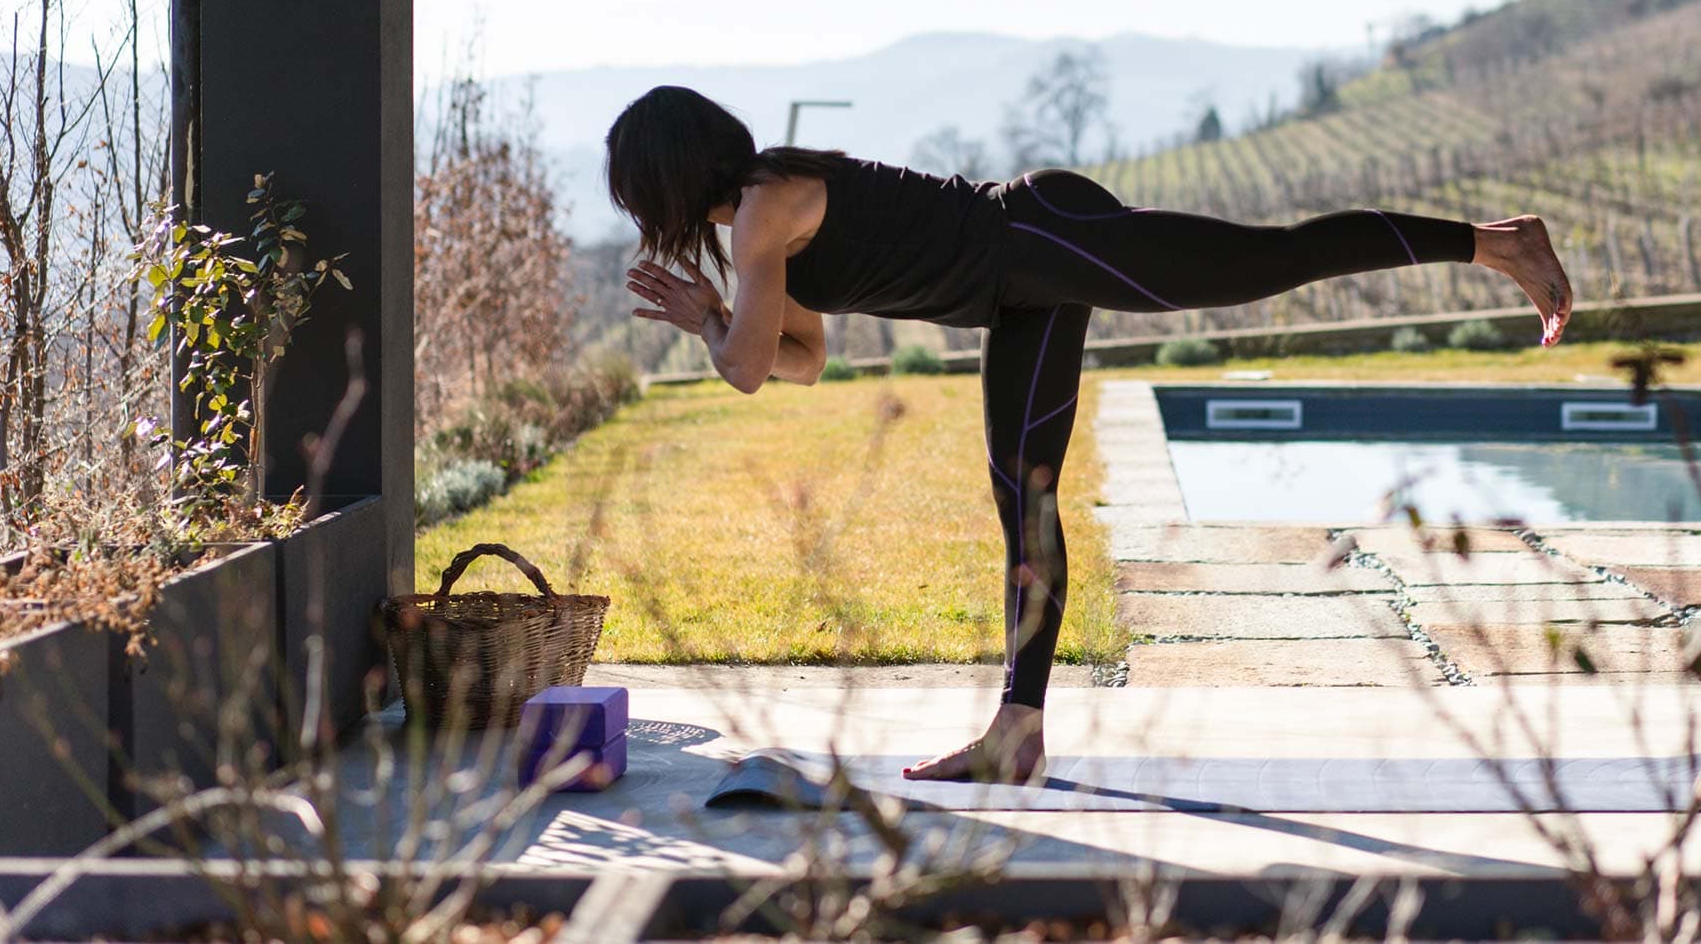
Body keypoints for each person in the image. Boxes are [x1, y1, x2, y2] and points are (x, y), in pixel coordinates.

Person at [607, 85, 1572, 782]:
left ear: (666, 177)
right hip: (1016, 296)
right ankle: (1017, 732)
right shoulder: (760, 220)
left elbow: (742, 365)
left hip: (1037, 232)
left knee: (1263, 261)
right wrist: (719, 316)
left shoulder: (766, 206)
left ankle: (1494, 242)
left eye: (635, 191)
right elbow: (801, 360)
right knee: (1022, 493)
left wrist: (708, 318)